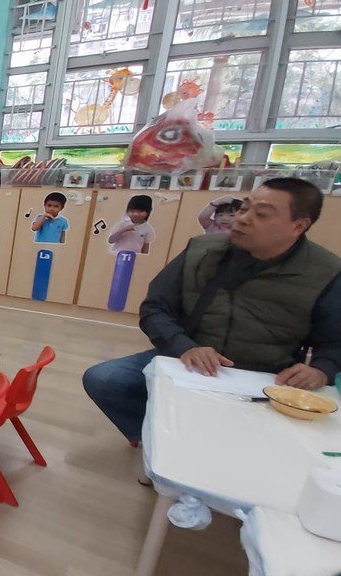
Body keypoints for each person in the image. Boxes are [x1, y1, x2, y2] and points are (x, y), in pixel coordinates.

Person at [83, 179, 341, 444]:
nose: (243, 219)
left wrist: (321, 369)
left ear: (298, 226)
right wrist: (185, 347)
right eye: (244, 209)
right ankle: (157, 438)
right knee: (105, 379)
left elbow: (335, 341)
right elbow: (155, 308)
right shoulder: (201, 251)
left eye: (262, 214)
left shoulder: (326, 272)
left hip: (268, 375)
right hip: (189, 361)